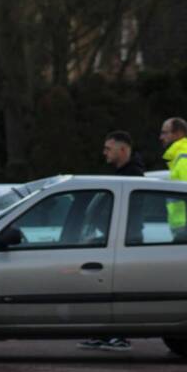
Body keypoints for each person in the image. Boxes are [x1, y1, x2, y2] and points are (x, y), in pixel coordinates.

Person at [79, 130, 143, 352]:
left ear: (123, 150)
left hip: (125, 243)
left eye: (108, 148)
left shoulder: (132, 177)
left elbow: (130, 214)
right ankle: (106, 333)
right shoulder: (123, 174)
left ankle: (119, 335)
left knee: (118, 290)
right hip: (116, 241)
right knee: (106, 289)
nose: (104, 152)